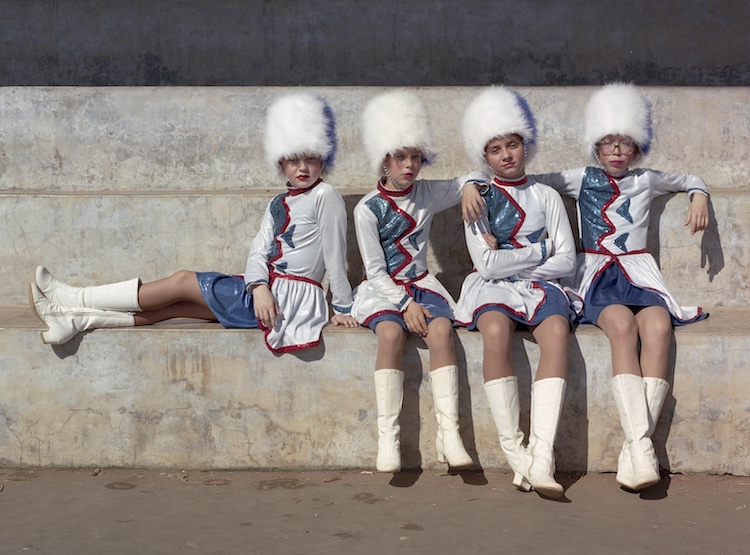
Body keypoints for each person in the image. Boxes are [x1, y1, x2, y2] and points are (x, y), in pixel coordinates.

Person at [30, 92, 358, 353]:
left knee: (182, 281)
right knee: (175, 308)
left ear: (323, 157)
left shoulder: (325, 195)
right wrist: (258, 287)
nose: (303, 167)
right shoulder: (278, 202)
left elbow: (334, 255)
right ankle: (75, 320)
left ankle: (73, 297)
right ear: (281, 162)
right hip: (265, 291)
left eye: (311, 158)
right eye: (293, 160)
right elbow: (258, 251)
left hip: (290, 300)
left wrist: (343, 307)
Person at [532, 83, 710, 491]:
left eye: (625, 144)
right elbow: (529, 180)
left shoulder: (646, 179)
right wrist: (475, 183)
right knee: (622, 328)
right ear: (596, 147)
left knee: (660, 327)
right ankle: (641, 446)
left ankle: (635, 449)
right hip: (597, 274)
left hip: (639, 272)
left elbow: (690, 177)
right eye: (608, 143)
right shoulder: (579, 178)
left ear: (637, 148)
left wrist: (698, 195)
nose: (616, 151)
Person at [351, 90, 486, 473]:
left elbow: (473, 175)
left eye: (415, 156)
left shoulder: (428, 192)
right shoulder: (367, 210)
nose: (409, 165)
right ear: (384, 159)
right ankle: (389, 440)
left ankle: (450, 434)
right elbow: (375, 271)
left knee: (442, 330)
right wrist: (403, 305)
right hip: (383, 290)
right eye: (400, 156)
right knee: (391, 336)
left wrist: (471, 187)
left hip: (422, 283)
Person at [454, 87, 576, 498]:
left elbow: (567, 260)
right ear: (484, 157)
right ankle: (515, 453)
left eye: (512, 144)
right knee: (493, 332)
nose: (506, 155)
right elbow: (487, 266)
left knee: (558, 332)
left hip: (541, 287)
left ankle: (542, 457)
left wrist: (522, 256)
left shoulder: (548, 195)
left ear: (526, 145)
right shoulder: (477, 199)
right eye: (494, 149)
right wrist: (541, 249)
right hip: (491, 288)